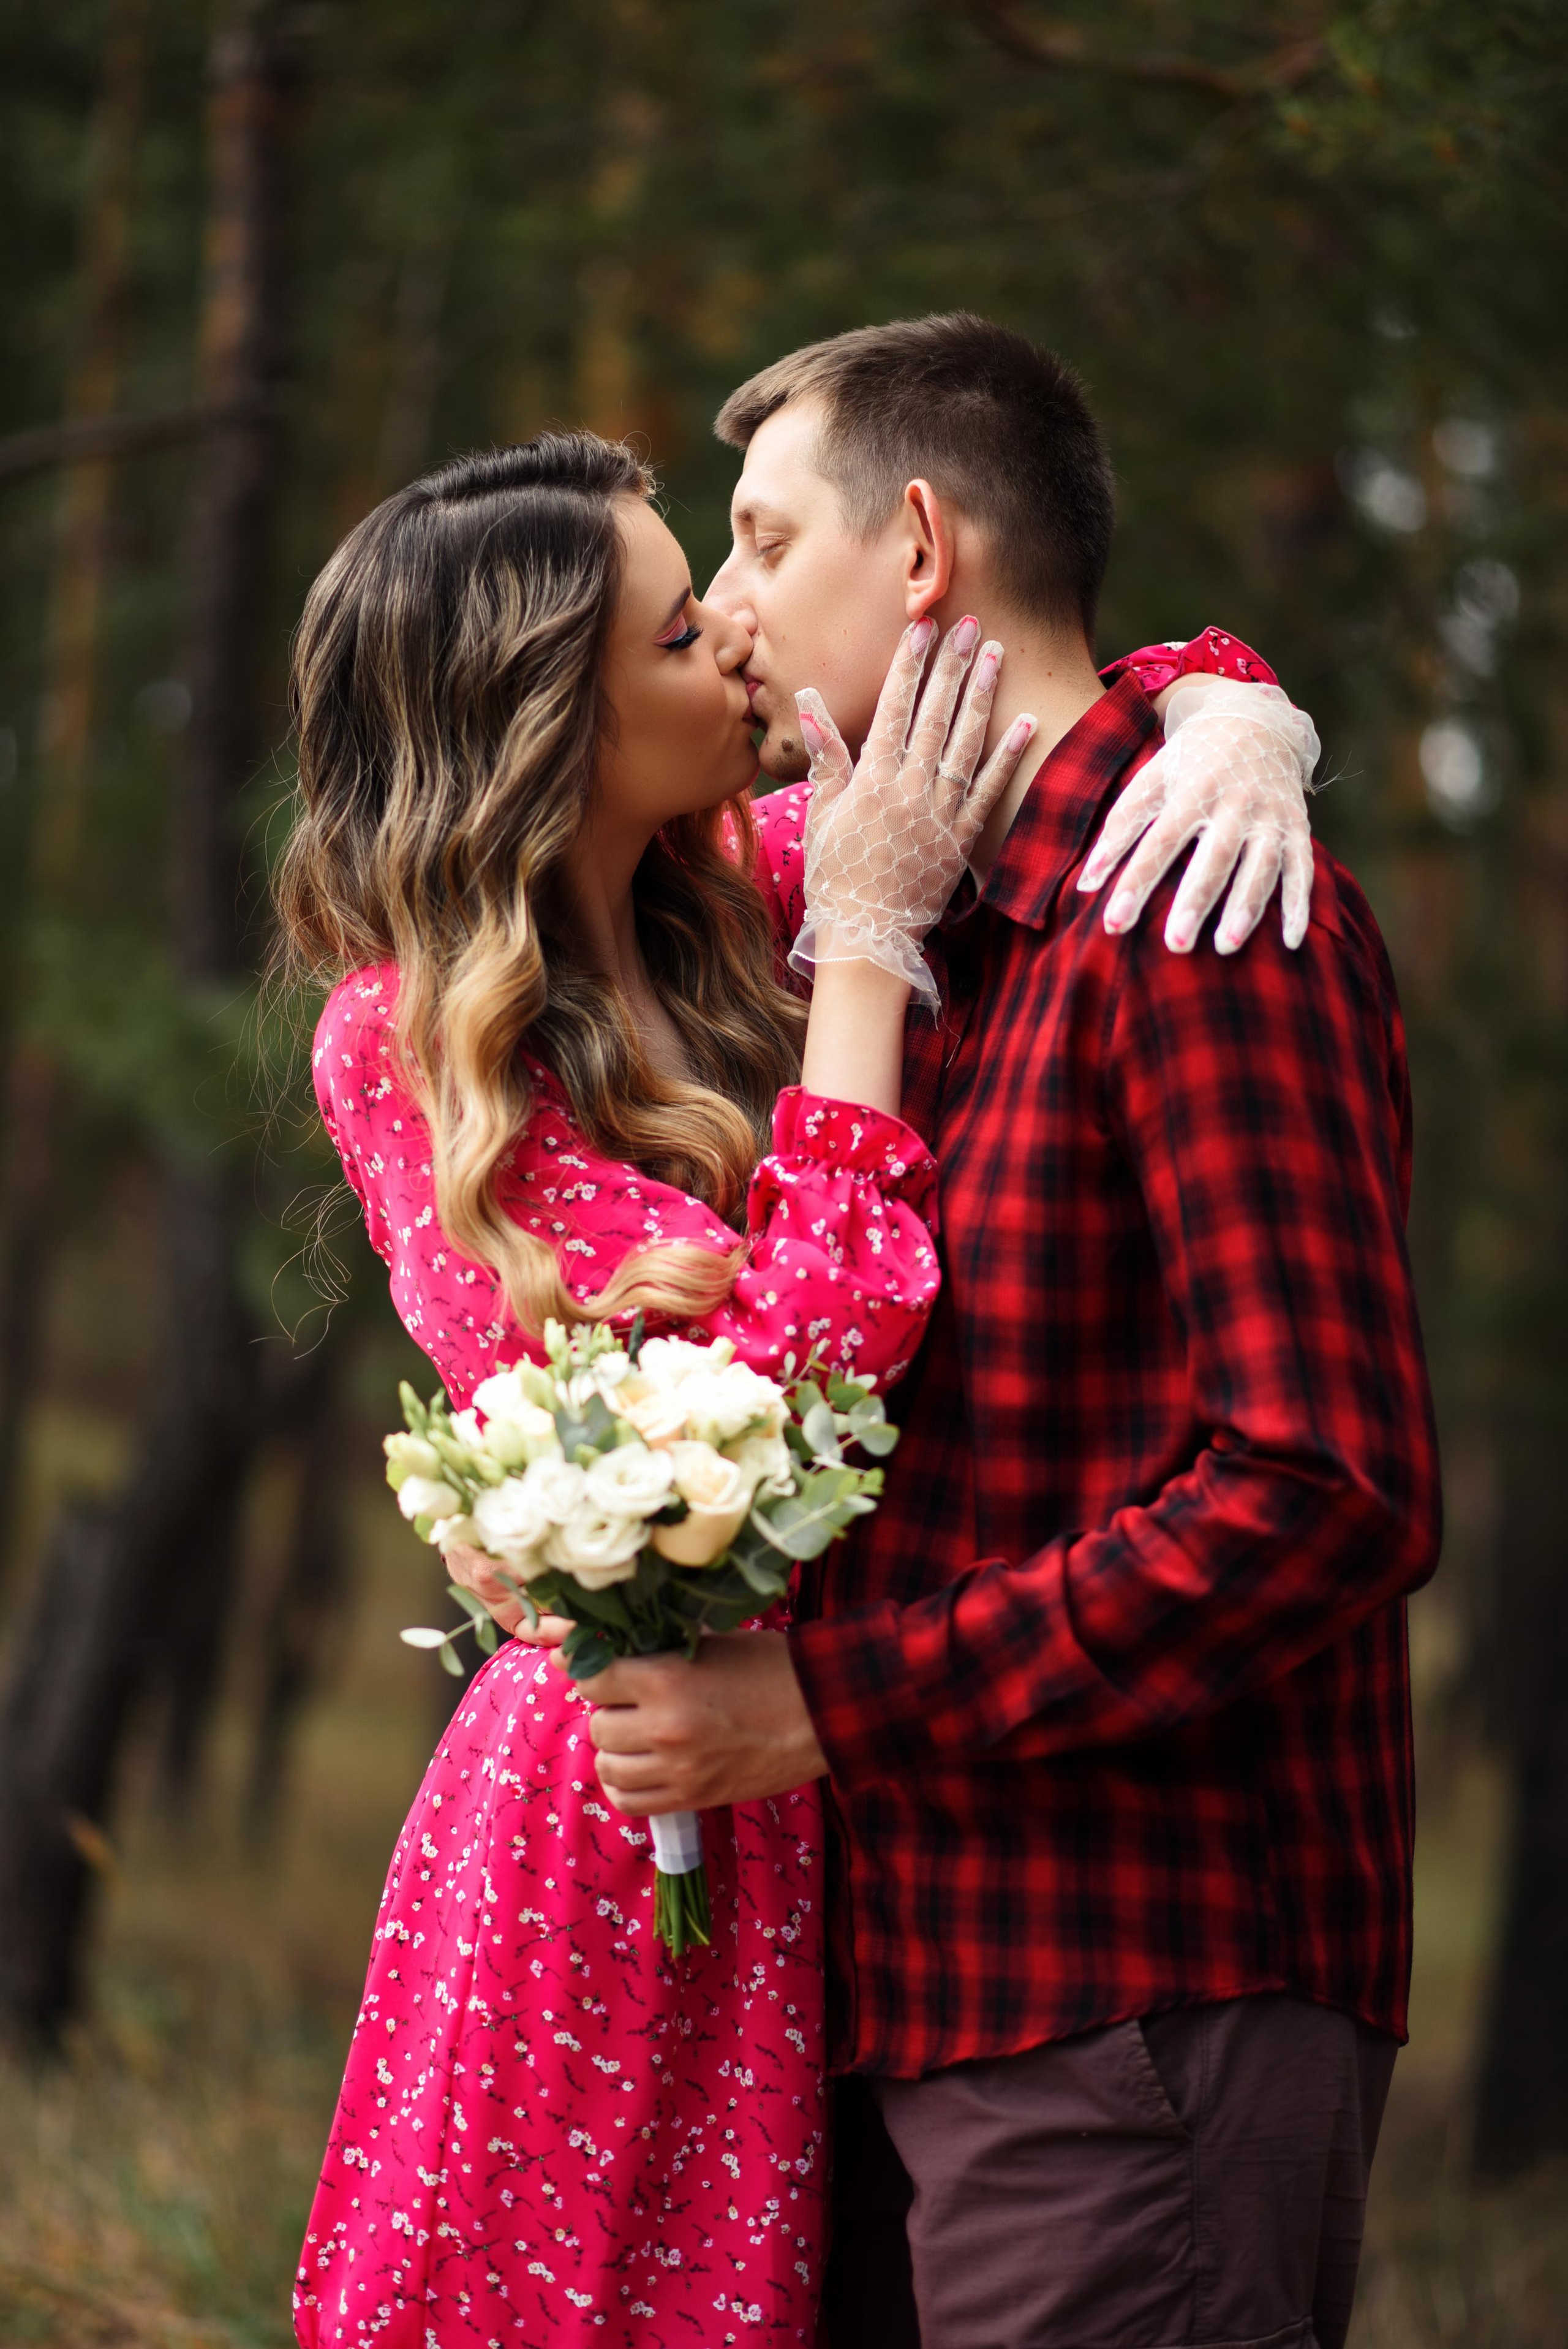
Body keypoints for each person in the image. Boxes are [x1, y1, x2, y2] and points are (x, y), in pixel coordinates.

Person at [279, 418, 1318, 2348]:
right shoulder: (410, 1037)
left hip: (848, 1806)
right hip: (620, 1830)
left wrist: (1245, 726)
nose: (747, 641)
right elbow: (789, 1406)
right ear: (551, 728)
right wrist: (861, 960)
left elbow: (1041, 703)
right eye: (685, 634)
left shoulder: (744, 880)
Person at [556, 315, 1444, 2349]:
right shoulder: (915, 921)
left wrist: (831, 1706)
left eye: (767, 545)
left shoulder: (1201, 898)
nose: (737, 611)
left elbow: (1327, 1485)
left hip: (1147, 1996)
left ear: (926, 547)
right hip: (920, 2003)